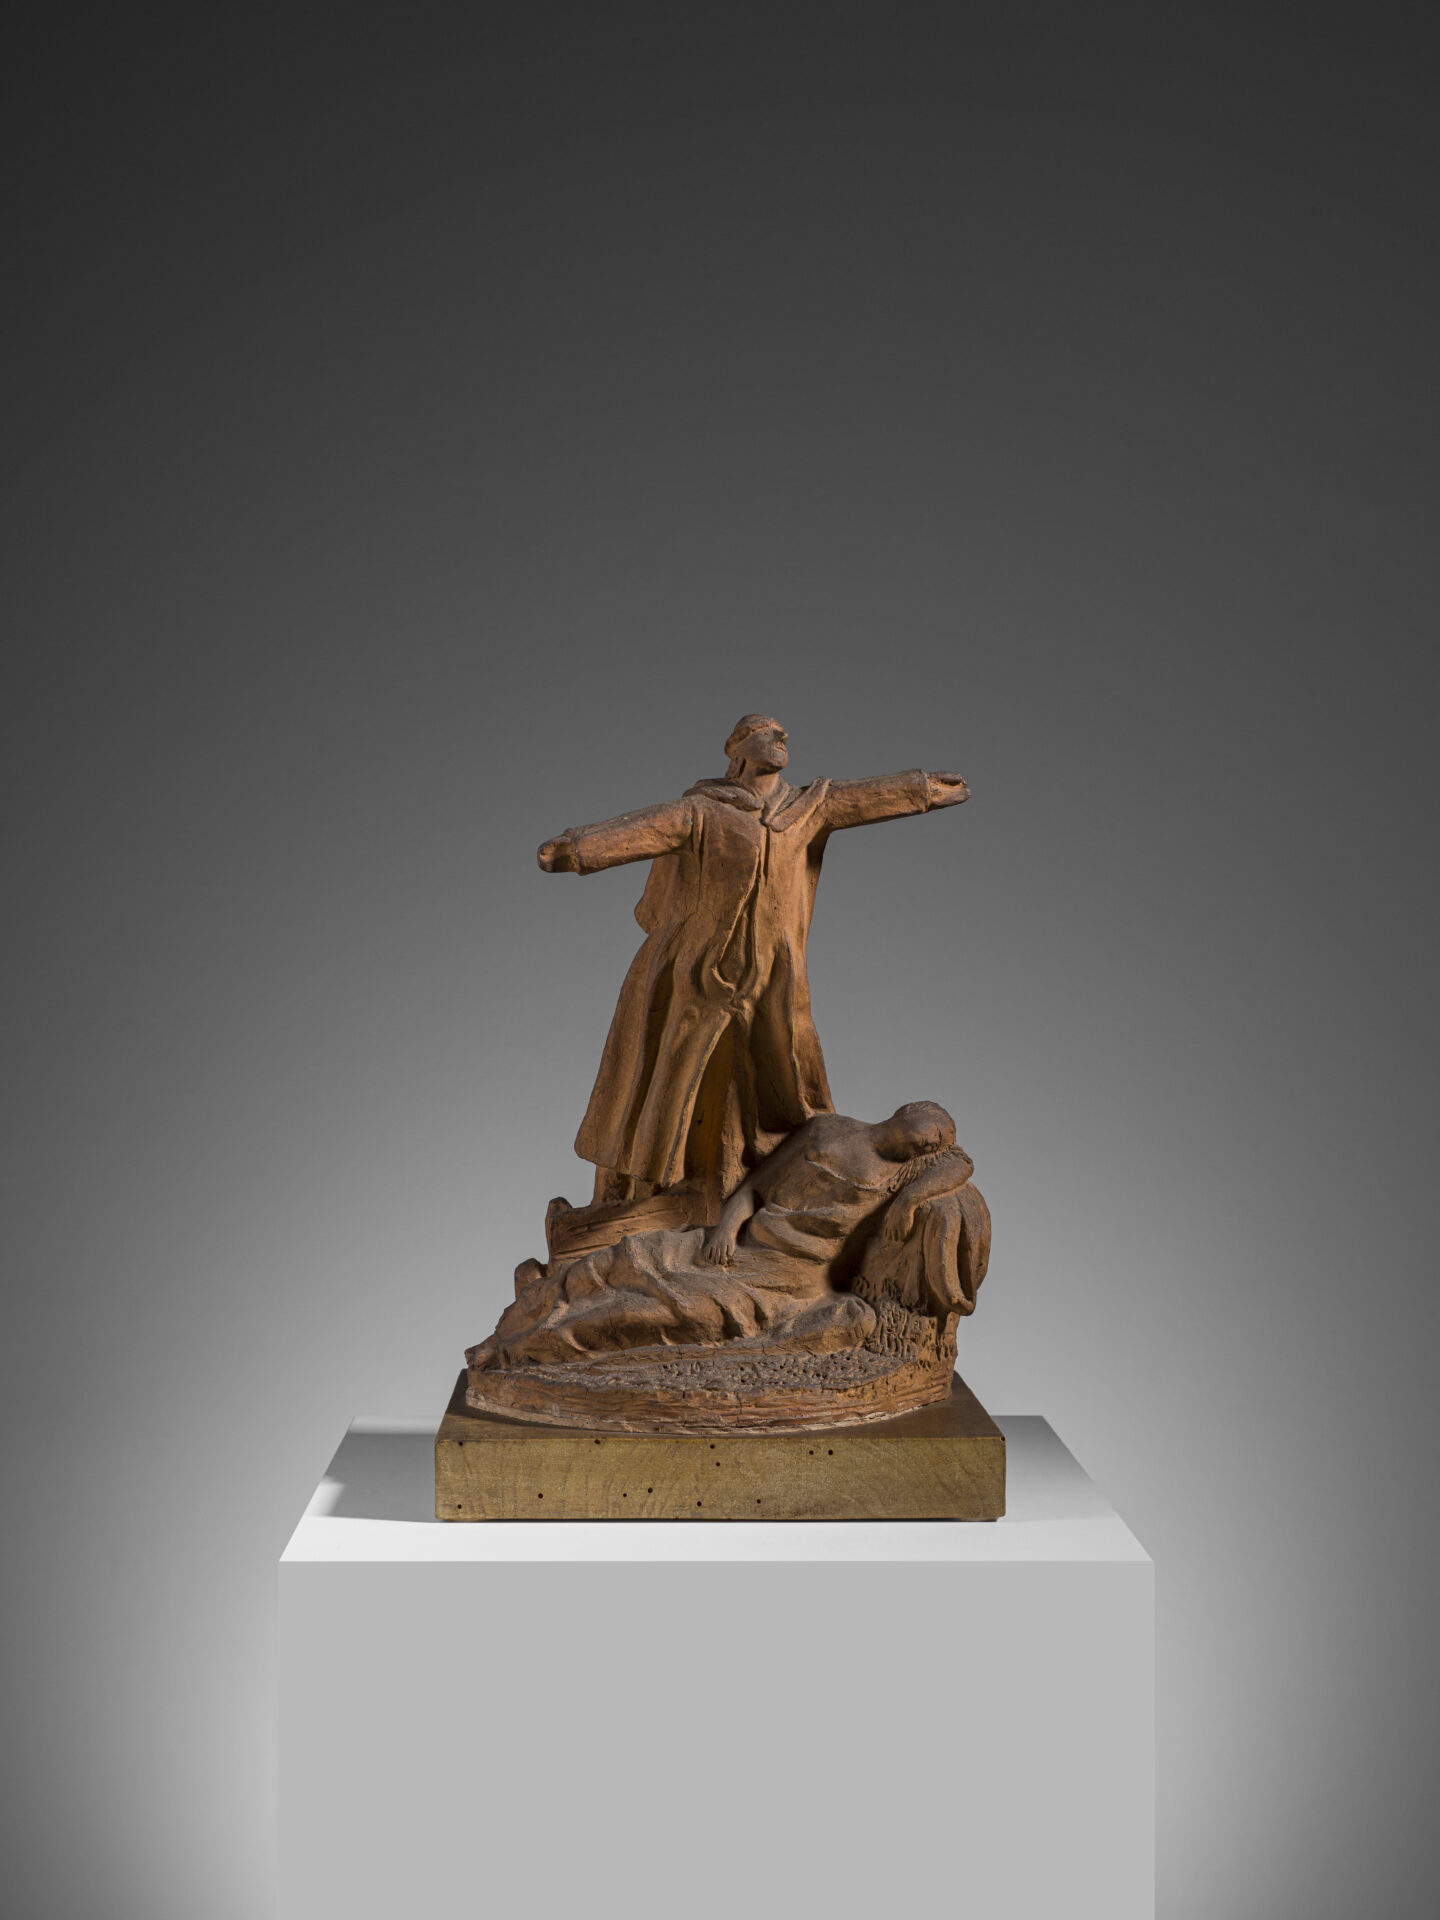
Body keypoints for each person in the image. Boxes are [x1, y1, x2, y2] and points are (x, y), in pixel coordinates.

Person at [537, 715, 969, 1223]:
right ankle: (646, 1201)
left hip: (774, 981)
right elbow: (642, 830)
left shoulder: (806, 807)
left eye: (783, 733)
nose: (782, 738)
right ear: (737, 749)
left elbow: (860, 799)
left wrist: (922, 788)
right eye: (768, 731)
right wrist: (576, 848)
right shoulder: (704, 811)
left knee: (779, 1084)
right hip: (698, 976)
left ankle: (762, 1195)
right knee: (668, 1088)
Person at [466, 1103, 986, 1371]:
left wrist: (910, 1201)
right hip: (732, 1245)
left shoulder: (900, 1178)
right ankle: (513, 1323)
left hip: (778, 1281)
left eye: (935, 1139)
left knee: (644, 1312)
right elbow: (755, 1188)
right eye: (931, 1129)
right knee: (627, 1258)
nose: (932, 1139)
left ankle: (518, 1352)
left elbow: (961, 1163)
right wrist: (725, 1229)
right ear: (904, 1112)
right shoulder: (830, 1129)